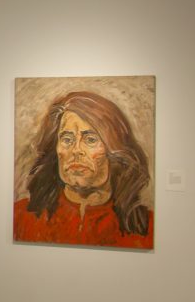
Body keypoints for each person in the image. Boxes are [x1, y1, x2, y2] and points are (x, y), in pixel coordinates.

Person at [13, 91, 153, 248]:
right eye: (67, 139)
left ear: (115, 151)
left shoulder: (146, 228)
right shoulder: (21, 217)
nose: (76, 150)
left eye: (90, 139)